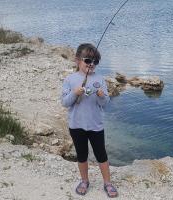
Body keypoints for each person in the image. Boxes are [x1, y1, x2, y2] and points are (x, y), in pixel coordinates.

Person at [61, 43, 118, 198]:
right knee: (82, 155)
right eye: (88, 61)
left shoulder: (100, 79)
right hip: (76, 125)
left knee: (101, 154)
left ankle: (107, 183)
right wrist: (74, 93)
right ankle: (84, 181)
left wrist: (102, 96)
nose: (91, 64)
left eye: (95, 62)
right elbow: (65, 102)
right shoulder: (70, 79)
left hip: (95, 125)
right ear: (77, 60)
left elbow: (105, 103)